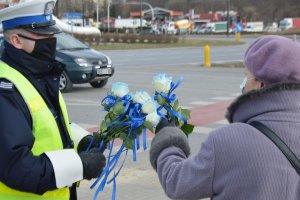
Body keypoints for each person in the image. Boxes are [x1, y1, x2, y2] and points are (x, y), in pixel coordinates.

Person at [150, 35, 300, 200]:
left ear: (261, 84)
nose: (243, 84)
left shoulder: (228, 141)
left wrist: (168, 139)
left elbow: (177, 182)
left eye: (246, 76)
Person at [0, 0, 106, 199]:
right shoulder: (6, 88)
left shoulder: (36, 74)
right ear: (16, 40)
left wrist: (83, 141)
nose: (50, 40)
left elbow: (50, 127)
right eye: (42, 35)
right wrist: (79, 166)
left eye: (51, 34)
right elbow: (16, 166)